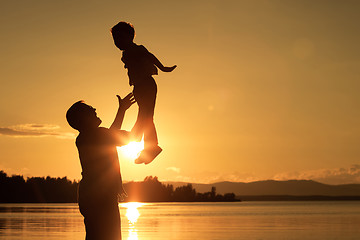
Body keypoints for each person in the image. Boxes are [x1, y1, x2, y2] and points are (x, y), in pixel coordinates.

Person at [66, 93, 135, 240]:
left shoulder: (86, 137)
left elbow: (110, 136)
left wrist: (122, 110)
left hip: (91, 195)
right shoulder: (97, 135)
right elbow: (129, 137)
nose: (95, 109)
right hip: (100, 197)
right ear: (84, 119)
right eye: (90, 109)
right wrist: (146, 117)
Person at [111, 21, 176, 164]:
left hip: (146, 85)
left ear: (130, 36)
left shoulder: (137, 49)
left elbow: (150, 56)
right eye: (115, 39)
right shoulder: (127, 52)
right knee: (146, 116)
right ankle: (147, 145)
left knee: (145, 115)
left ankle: (144, 142)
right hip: (139, 86)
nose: (117, 42)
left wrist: (163, 67)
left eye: (120, 38)